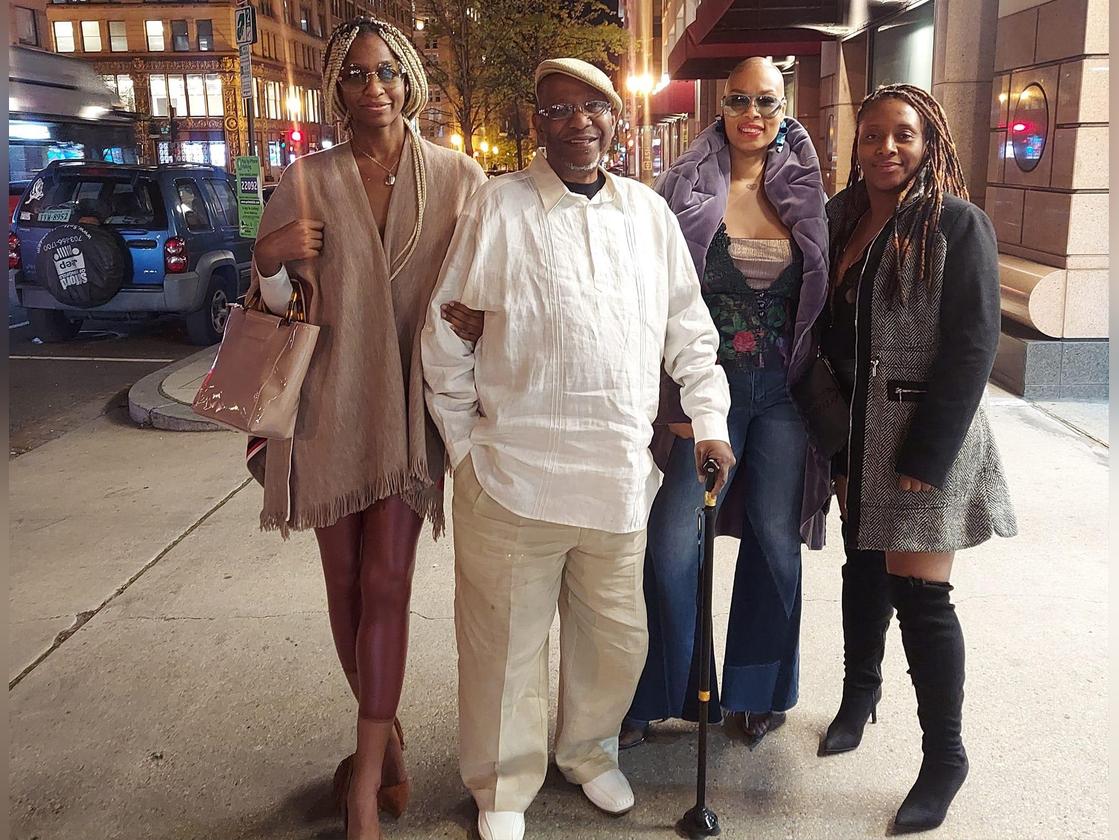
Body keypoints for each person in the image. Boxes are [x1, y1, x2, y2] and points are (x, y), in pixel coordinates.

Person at [422, 58, 734, 840]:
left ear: (616, 120)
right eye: (558, 109)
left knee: (613, 640)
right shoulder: (498, 208)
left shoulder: (645, 215)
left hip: (617, 480)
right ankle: (502, 782)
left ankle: (589, 753)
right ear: (536, 123)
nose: (579, 122)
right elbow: (444, 335)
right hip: (511, 476)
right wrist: (464, 449)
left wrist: (710, 420)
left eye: (593, 107)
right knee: (503, 647)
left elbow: (688, 330)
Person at [246, 17, 486, 840]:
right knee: (344, 586)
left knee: (387, 583)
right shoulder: (307, 179)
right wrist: (270, 257)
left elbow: (486, 284)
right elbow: (272, 310)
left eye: (385, 71)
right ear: (336, 89)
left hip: (411, 413)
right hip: (327, 408)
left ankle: (361, 788)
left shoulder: (458, 178)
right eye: (355, 74)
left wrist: (481, 322)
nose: (373, 86)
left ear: (408, 79)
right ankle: (386, 748)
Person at [818, 83, 1016, 833]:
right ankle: (858, 694)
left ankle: (944, 758)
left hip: (922, 437)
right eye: (872, 135)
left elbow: (973, 344)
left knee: (922, 598)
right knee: (862, 568)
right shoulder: (840, 219)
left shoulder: (953, 224)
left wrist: (928, 455)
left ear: (929, 142)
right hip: (854, 432)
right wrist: (832, 435)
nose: (886, 148)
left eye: (902, 134)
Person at [618, 56, 832, 752]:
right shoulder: (681, 188)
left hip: (783, 396)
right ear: (721, 106)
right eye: (739, 100)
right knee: (671, 542)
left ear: (784, 110)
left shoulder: (807, 193)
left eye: (767, 102)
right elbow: (647, 297)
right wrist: (667, 398)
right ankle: (661, 690)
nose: (752, 114)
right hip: (702, 394)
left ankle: (757, 690)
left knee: (775, 542)